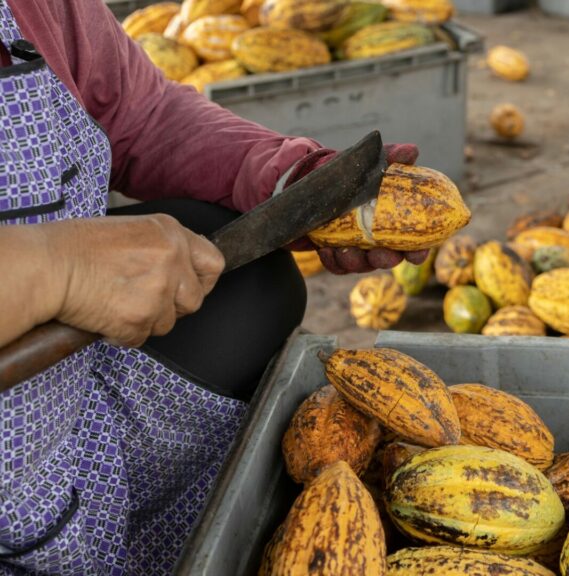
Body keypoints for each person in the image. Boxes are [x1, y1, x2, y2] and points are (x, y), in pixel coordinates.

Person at [0, 1, 426, 573]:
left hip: (55, 395)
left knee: (253, 285)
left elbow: (138, 114)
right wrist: (55, 266)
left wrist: (282, 177)